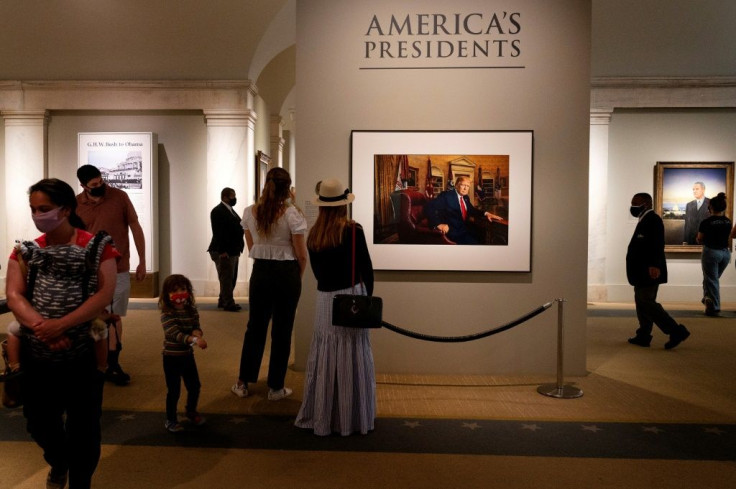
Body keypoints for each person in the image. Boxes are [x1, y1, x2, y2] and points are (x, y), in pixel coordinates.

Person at [6, 178, 118, 489]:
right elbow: (15, 295)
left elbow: (103, 293)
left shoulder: (98, 247)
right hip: (38, 355)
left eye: (44, 209)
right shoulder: (26, 251)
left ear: (65, 209)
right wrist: (44, 328)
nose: (37, 215)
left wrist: (63, 324)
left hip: (82, 353)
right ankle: (58, 461)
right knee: (40, 424)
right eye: (33, 209)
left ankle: (80, 481)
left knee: (84, 429)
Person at [294, 177, 376, 436]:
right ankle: (351, 417)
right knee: (352, 355)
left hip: (325, 301)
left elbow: (319, 275)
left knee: (327, 357)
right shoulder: (354, 230)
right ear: (343, 204)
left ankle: (324, 416)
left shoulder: (314, 234)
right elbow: (367, 270)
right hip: (351, 298)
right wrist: (367, 300)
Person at [231, 168, 307, 401]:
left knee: (255, 328)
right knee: (282, 331)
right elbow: (301, 254)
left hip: (261, 273)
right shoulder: (292, 214)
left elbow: (253, 247)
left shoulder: (249, 212)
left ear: (266, 184)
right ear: (287, 187)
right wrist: (297, 276)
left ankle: (243, 383)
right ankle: (275, 387)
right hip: (287, 274)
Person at [76, 164, 147, 386]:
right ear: (83, 186)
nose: (100, 187)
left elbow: (135, 226)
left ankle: (113, 361)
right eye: (94, 185)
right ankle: (100, 360)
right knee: (94, 315)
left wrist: (142, 260)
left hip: (118, 267)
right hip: (89, 270)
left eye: (101, 182)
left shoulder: (119, 197)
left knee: (115, 315)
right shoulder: (77, 205)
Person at [626, 192, 691, 349]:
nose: (633, 207)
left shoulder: (653, 220)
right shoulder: (645, 220)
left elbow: (657, 244)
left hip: (649, 270)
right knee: (641, 302)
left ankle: (675, 330)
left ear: (646, 204)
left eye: (636, 203)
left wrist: (655, 265)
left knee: (646, 301)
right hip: (641, 270)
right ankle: (643, 335)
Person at [159, 274, 208, 433]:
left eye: (183, 289)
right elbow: (175, 334)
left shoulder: (191, 310)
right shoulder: (167, 313)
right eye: (175, 290)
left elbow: (196, 326)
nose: (180, 293)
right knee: (174, 390)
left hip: (187, 356)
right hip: (171, 357)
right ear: (167, 294)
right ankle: (171, 419)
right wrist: (193, 340)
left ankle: (191, 411)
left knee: (194, 386)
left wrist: (197, 333)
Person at [424, 175, 502, 244]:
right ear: (457, 185)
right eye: (463, 185)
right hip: (453, 232)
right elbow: (429, 206)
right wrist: (438, 224)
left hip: (465, 229)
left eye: (467, 186)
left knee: (485, 237)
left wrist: (487, 213)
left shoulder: (465, 197)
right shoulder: (446, 196)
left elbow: (471, 210)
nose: (465, 188)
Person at [207, 187, 245, 312]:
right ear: (224, 197)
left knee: (229, 277)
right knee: (227, 278)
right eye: (232, 196)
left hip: (233, 250)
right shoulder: (218, 211)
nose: (234, 199)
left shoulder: (231, 211)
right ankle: (228, 303)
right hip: (224, 251)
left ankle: (222, 300)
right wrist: (222, 251)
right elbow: (218, 233)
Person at [697, 193, 732, 316]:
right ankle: (708, 300)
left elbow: (700, 238)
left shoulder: (706, 222)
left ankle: (715, 307)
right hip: (725, 254)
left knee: (711, 280)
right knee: (711, 279)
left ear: (710, 207)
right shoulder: (728, 221)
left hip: (711, 252)